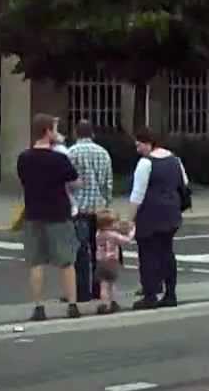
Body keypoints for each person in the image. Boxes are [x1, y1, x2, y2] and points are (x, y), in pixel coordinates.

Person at [17, 113, 83, 321]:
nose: (57, 133)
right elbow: (75, 182)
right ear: (47, 132)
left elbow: (24, 181)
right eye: (54, 129)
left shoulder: (24, 158)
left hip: (33, 213)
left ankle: (39, 307)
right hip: (58, 213)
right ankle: (72, 305)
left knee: (36, 262)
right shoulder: (59, 158)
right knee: (66, 261)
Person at [123, 126, 187, 310]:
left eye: (139, 146)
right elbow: (184, 184)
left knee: (148, 254)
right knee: (167, 253)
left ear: (148, 143)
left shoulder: (146, 163)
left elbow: (137, 194)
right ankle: (170, 293)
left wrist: (129, 219)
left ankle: (150, 295)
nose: (138, 150)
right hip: (171, 212)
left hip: (150, 214)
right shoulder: (175, 160)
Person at [68, 120, 112, 303]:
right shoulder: (103, 153)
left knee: (80, 251)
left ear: (75, 133)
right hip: (99, 208)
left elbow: (68, 181)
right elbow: (108, 183)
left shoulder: (71, 153)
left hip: (80, 208)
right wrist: (107, 204)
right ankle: (97, 289)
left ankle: (81, 292)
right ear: (92, 133)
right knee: (99, 251)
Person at [93, 210, 134, 314]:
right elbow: (126, 240)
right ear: (110, 224)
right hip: (112, 262)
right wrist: (132, 231)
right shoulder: (113, 235)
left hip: (101, 262)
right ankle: (112, 302)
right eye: (115, 222)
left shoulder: (98, 234)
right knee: (112, 284)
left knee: (103, 284)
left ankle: (104, 303)